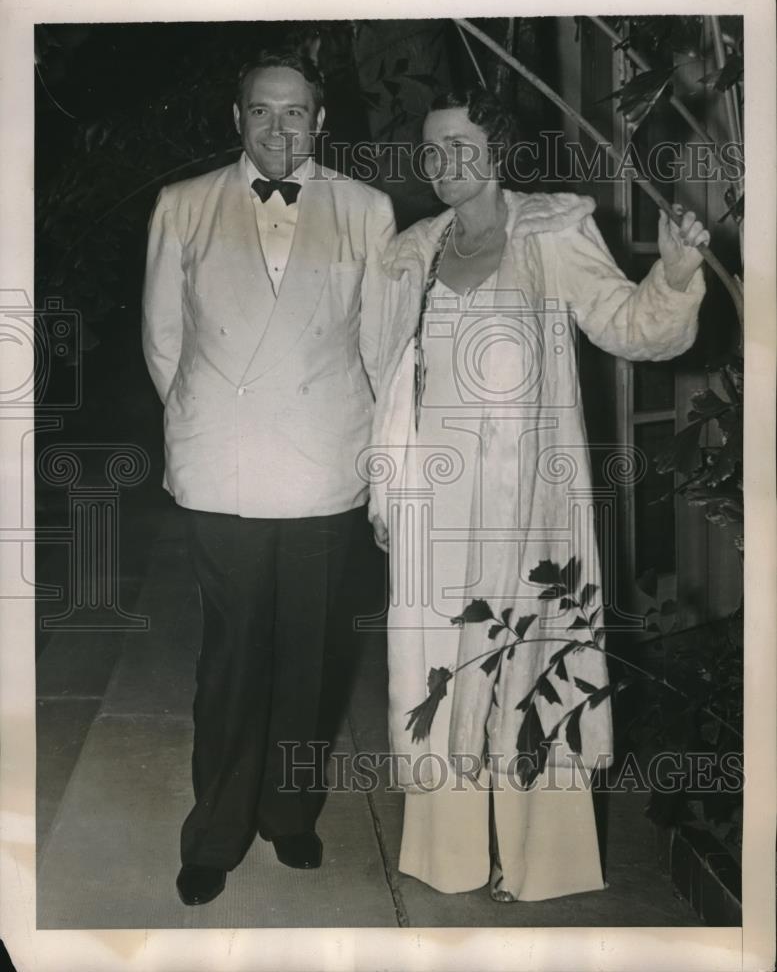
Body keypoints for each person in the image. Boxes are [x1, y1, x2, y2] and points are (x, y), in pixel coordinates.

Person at [368, 87, 709, 901]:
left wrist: (673, 272)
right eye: (430, 149)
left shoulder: (551, 232)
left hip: (528, 509)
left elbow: (632, 326)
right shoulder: (413, 251)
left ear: (499, 148)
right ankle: (449, 854)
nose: (442, 163)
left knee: (529, 661)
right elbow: (386, 379)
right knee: (441, 666)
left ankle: (537, 864)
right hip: (436, 512)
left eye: (460, 144)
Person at [142, 49, 396, 906]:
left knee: (308, 659)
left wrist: (376, 460)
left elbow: (382, 349)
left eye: (296, 113)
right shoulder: (182, 207)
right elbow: (163, 344)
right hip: (226, 469)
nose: (279, 128)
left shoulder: (367, 209)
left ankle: (290, 814)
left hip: (325, 464)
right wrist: (210, 428)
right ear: (236, 117)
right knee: (231, 658)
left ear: (321, 122)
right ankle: (214, 830)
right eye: (262, 111)